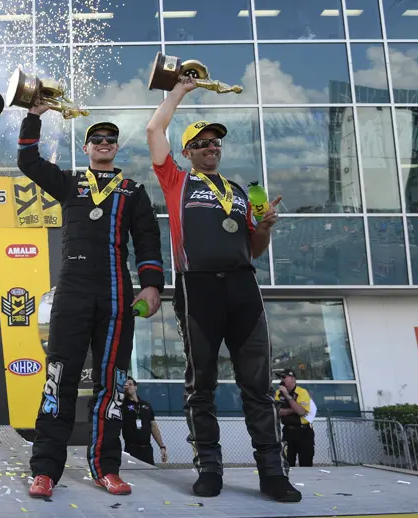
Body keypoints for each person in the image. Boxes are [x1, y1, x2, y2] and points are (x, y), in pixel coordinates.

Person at [145, 76, 300, 503]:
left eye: (217, 144)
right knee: (202, 385)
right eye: (204, 144)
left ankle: (272, 472)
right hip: (197, 290)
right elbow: (154, 131)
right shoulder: (176, 182)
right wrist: (179, 91)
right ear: (188, 152)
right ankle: (208, 468)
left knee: (258, 386)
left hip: (243, 288)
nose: (212, 148)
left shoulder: (237, 192)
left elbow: (253, 247)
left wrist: (265, 227)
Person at [18, 101, 164, 498]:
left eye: (110, 139)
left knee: (112, 386)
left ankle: (105, 467)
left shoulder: (133, 191)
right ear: (86, 148)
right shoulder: (69, 182)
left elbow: (148, 239)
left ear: (116, 148)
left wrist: (151, 285)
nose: (103, 143)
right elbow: (28, 160)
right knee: (59, 379)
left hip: (117, 295)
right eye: (96, 139)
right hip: (73, 290)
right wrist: (34, 114)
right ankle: (45, 470)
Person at [120, 377, 167, 466]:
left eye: (130, 384)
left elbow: (153, 426)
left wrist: (162, 447)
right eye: (125, 385)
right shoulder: (122, 405)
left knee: (150, 474)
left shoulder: (146, 405)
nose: (128, 387)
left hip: (146, 449)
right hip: (131, 449)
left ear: (135, 387)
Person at [276, 369, 315, 467]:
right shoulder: (278, 393)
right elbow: (276, 411)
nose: (281, 380)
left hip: (303, 431)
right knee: (287, 462)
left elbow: (301, 412)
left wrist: (287, 396)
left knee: (306, 462)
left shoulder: (302, 392)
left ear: (293, 379)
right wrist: (293, 409)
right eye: (280, 377)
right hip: (288, 431)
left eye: (284, 377)